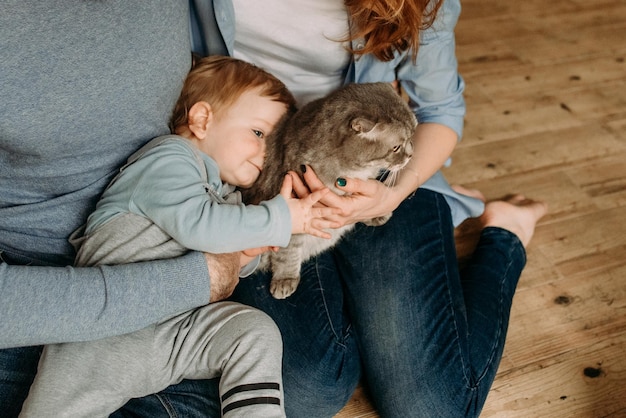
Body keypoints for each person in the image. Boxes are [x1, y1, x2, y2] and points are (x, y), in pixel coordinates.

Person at [0, 2, 547, 418]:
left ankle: (505, 233)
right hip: (259, 180)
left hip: (380, 176)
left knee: (433, 406)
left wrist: (390, 193)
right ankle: (346, 287)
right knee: (308, 380)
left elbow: (441, 111)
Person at [18, 55, 341, 418]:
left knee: (255, 332)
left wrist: (250, 250)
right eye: (258, 133)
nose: (267, 152)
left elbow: (230, 255)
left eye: (274, 143)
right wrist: (277, 217)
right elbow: (201, 226)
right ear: (202, 120)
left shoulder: (228, 194)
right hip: (105, 333)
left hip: (175, 332)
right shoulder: (168, 159)